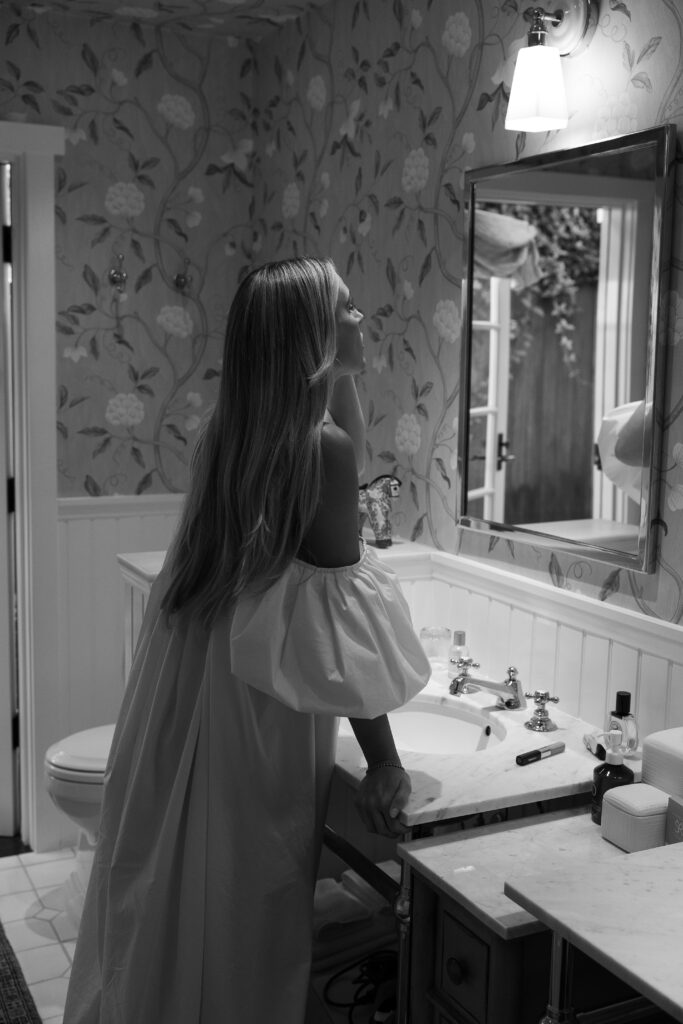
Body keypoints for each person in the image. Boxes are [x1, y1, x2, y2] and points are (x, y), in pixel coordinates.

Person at [63, 257, 430, 1024]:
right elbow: (338, 636)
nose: (362, 320)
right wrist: (386, 762)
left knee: (176, 883)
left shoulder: (234, 431)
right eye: (347, 309)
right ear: (314, 339)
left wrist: (340, 380)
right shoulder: (320, 447)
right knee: (246, 908)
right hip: (256, 717)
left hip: (188, 690)